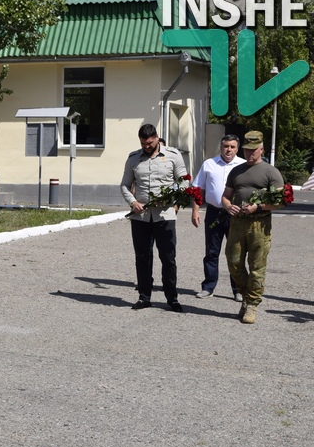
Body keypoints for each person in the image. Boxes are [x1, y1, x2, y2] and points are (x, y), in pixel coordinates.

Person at [120, 123, 187, 312]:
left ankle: (172, 298)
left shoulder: (173, 155)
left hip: (165, 215)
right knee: (142, 257)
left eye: (149, 143)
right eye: (143, 143)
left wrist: (172, 200)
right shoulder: (133, 158)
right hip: (140, 217)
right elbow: (125, 185)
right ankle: (144, 297)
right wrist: (133, 202)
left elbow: (184, 183)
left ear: (157, 137)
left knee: (168, 258)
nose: (147, 147)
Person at [221, 130, 286, 324]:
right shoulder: (236, 171)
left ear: (261, 149)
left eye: (253, 150)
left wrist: (258, 206)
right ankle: (245, 295)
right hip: (238, 222)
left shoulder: (270, 172)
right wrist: (227, 205)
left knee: (257, 265)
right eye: (247, 150)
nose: (249, 154)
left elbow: (281, 201)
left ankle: (252, 305)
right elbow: (226, 196)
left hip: (260, 223)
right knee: (233, 262)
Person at [191, 134, 246, 300]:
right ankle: (208, 286)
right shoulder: (209, 164)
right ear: (221, 147)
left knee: (235, 252)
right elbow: (197, 189)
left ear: (237, 148)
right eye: (225, 146)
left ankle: (238, 289)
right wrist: (195, 210)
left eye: (232, 147)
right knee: (211, 252)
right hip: (214, 212)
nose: (228, 150)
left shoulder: (243, 166)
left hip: (235, 214)